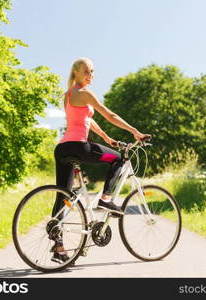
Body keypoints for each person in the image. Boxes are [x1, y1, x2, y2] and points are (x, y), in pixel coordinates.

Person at [51, 57, 150, 263]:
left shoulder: (69, 95)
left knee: (63, 196)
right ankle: (106, 200)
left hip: (63, 149)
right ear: (76, 73)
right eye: (86, 72)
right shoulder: (85, 93)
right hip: (79, 146)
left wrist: (106, 138)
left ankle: (58, 247)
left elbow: (86, 120)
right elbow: (109, 114)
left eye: (92, 72)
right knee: (118, 160)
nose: (91, 76)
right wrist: (135, 132)